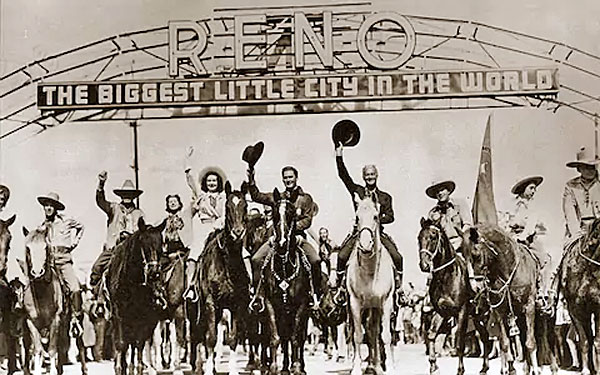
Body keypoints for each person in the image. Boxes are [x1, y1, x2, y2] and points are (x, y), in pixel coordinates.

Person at [246, 165, 322, 307]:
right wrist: (251, 177)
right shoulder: (277, 198)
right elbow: (256, 195)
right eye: (285, 177)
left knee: (316, 260)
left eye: (290, 177)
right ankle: (257, 294)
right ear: (282, 179)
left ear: (296, 178)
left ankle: (315, 294)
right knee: (256, 259)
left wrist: (291, 231)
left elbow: (307, 220)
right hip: (277, 239)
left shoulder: (305, 198)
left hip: (298, 239)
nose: (288, 180)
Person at [334, 144, 404, 293]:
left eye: (372, 174)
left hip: (378, 233)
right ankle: (341, 289)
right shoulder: (357, 192)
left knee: (397, 257)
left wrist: (378, 219)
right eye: (367, 175)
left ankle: (399, 289)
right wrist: (339, 155)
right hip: (358, 233)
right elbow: (343, 176)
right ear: (363, 177)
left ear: (376, 175)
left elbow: (391, 216)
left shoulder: (385, 197)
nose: (370, 177)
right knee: (341, 256)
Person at [33, 192, 85, 335]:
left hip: (63, 261)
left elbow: (81, 227)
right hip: (48, 263)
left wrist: (74, 242)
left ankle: (76, 318)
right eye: (46, 205)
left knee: (75, 288)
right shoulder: (41, 226)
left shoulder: (66, 220)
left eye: (51, 205)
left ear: (56, 208)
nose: (48, 208)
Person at [183, 146, 227, 301]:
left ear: (219, 182)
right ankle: (191, 286)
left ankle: (249, 287)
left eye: (214, 180)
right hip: (204, 228)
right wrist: (187, 160)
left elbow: (227, 214)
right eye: (209, 181)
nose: (212, 183)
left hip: (220, 228)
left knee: (243, 254)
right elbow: (190, 179)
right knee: (194, 254)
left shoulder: (224, 197)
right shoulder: (201, 196)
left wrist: (220, 223)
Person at [90, 171, 145, 292]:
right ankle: (99, 296)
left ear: (133, 197)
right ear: (121, 195)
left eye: (130, 194)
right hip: (114, 248)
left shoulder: (139, 213)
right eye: (125, 194)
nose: (127, 196)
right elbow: (101, 201)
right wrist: (101, 184)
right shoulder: (113, 208)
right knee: (97, 267)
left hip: (132, 250)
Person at [507, 176, 551, 306]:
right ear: (523, 188)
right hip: (512, 238)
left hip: (529, 239)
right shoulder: (511, 205)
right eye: (531, 188)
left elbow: (531, 226)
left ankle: (543, 293)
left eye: (535, 189)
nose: (534, 191)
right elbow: (504, 221)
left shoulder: (533, 206)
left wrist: (522, 237)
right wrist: (510, 236)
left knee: (545, 260)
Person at [426, 180, 471, 254]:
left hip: (461, 245)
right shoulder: (433, 213)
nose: (440, 193)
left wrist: (462, 239)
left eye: (442, 190)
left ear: (448, 191)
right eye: (437, 192)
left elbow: (467, 224)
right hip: (443, 249)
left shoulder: (460, 205)